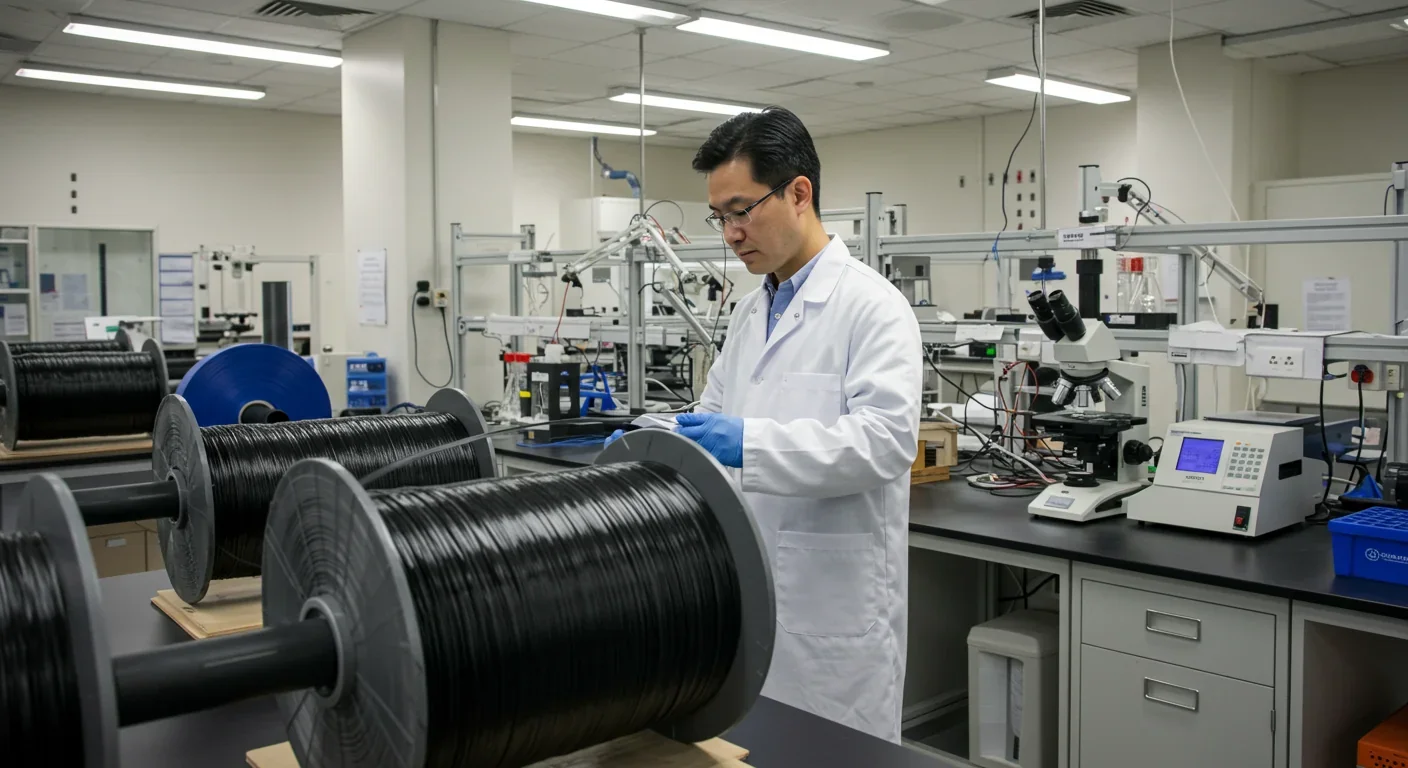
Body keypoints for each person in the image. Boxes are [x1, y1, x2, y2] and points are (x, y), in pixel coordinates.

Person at [611, 107, 921, 742]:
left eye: (741, 211)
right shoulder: (752, 311)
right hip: (750, 588)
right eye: (718, 216)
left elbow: (885, 443)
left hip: (833, 610)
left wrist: (746, 442)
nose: (730, 233)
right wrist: (658, 436)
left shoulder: (873, 306)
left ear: (798, 193)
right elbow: (711, 414)